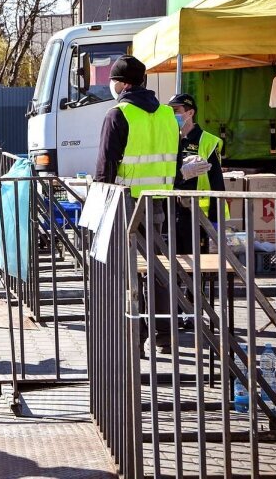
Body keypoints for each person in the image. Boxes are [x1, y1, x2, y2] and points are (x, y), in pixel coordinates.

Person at [94, 55, 180, 356]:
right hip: (158, 203)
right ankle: (164, 333)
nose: (111, 85)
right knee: (154, 268)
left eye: (113, 80)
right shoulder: (169, 114)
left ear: (123, 83)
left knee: (128, 271)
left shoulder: (118, 114)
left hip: (127, 204)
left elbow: (105, 168)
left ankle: (136, 336)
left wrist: (98, 207)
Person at [168, 93, 225, 255]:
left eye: (176, 110)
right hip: (172, 208)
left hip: (196, 213)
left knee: (194, 260)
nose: (172, 114)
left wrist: (215, 218)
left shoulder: (207, 141)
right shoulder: (169, 138)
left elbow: (217, 182)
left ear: (190, 113)